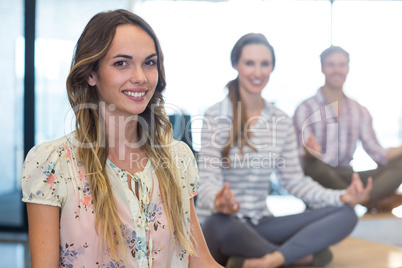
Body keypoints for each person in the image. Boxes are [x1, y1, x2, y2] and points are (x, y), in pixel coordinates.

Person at [21, 9, 221, 268]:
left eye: (149, 62)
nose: (140, 77)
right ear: (91, 74)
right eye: (121, 63)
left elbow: (200, 262)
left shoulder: (178, 158)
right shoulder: (51, 163)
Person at [195, 33, 372, 268]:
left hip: (260, 224)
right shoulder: (215, 115)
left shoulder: (281, 121)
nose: (257, 72)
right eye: (249, 63)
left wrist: (340, 196)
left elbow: (294, 181)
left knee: (346, 213)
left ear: (272, 67)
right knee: (220, 223)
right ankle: (298, 257)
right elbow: (206, 181)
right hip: (222, 226)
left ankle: (270, 260)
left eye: (264, 64)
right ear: (236, 64)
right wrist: (218, 201)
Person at [293, 46, 402, 212]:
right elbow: (297, 158)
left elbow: (377, 153)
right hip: (320, 175)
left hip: (348, 176)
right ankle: (367, 200)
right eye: (331, 64)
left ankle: (360, 198)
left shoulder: (359, 111)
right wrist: (310, 152)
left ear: (348, 68)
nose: (337, 69)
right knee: (313, 167)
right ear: (322, 68)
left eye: (341, 64)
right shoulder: (305, 108)